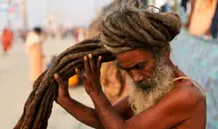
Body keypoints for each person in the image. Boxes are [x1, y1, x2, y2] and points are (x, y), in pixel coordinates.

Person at [54, 5, 206, 129]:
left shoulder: (187, 96)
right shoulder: (153, 87)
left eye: (140, 66)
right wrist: (66, 101)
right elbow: (106, 120)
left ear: (164, 53)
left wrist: (96, 92)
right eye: (127, 70)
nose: (135, 78)